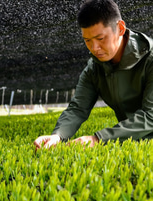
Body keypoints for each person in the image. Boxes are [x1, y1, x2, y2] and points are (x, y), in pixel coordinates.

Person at [34, 0, 153, 149]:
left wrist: (98, 139)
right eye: (87, 40)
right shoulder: (94, 68)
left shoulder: (150, 59)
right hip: (132, 140)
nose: (94, 48)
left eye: (100, 38)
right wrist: (58, 136)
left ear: (121, 28)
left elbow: (151, 116)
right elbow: (78, 108)